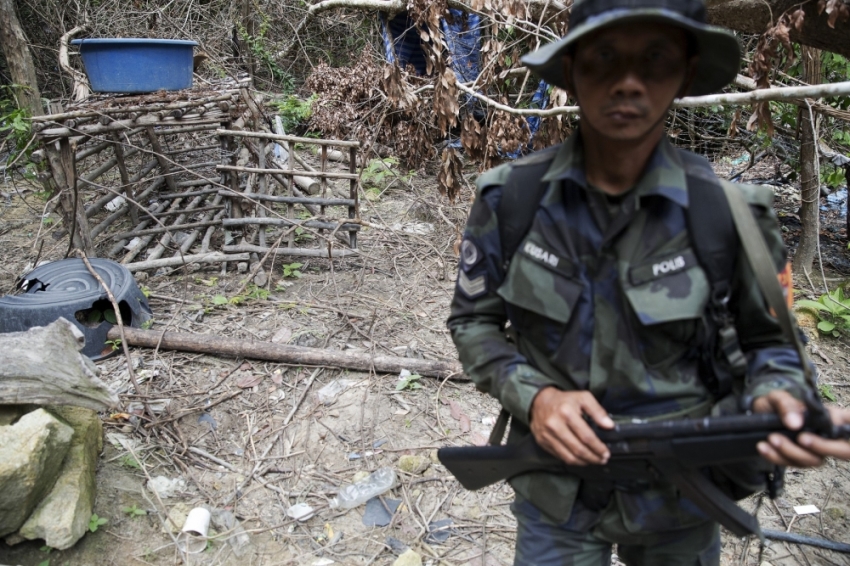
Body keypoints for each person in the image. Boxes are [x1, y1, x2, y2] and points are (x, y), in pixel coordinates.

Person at [446, 0, 850, 563]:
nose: (628, 82)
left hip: (680, 501)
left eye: (655, 59)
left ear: (685, 73)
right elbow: (473, 323)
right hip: (556, 497)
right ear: (570, 70)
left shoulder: (734, 213)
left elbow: (772, 345)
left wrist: (778, 400)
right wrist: (536, 398)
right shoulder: (510, 199)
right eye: (604, 57)